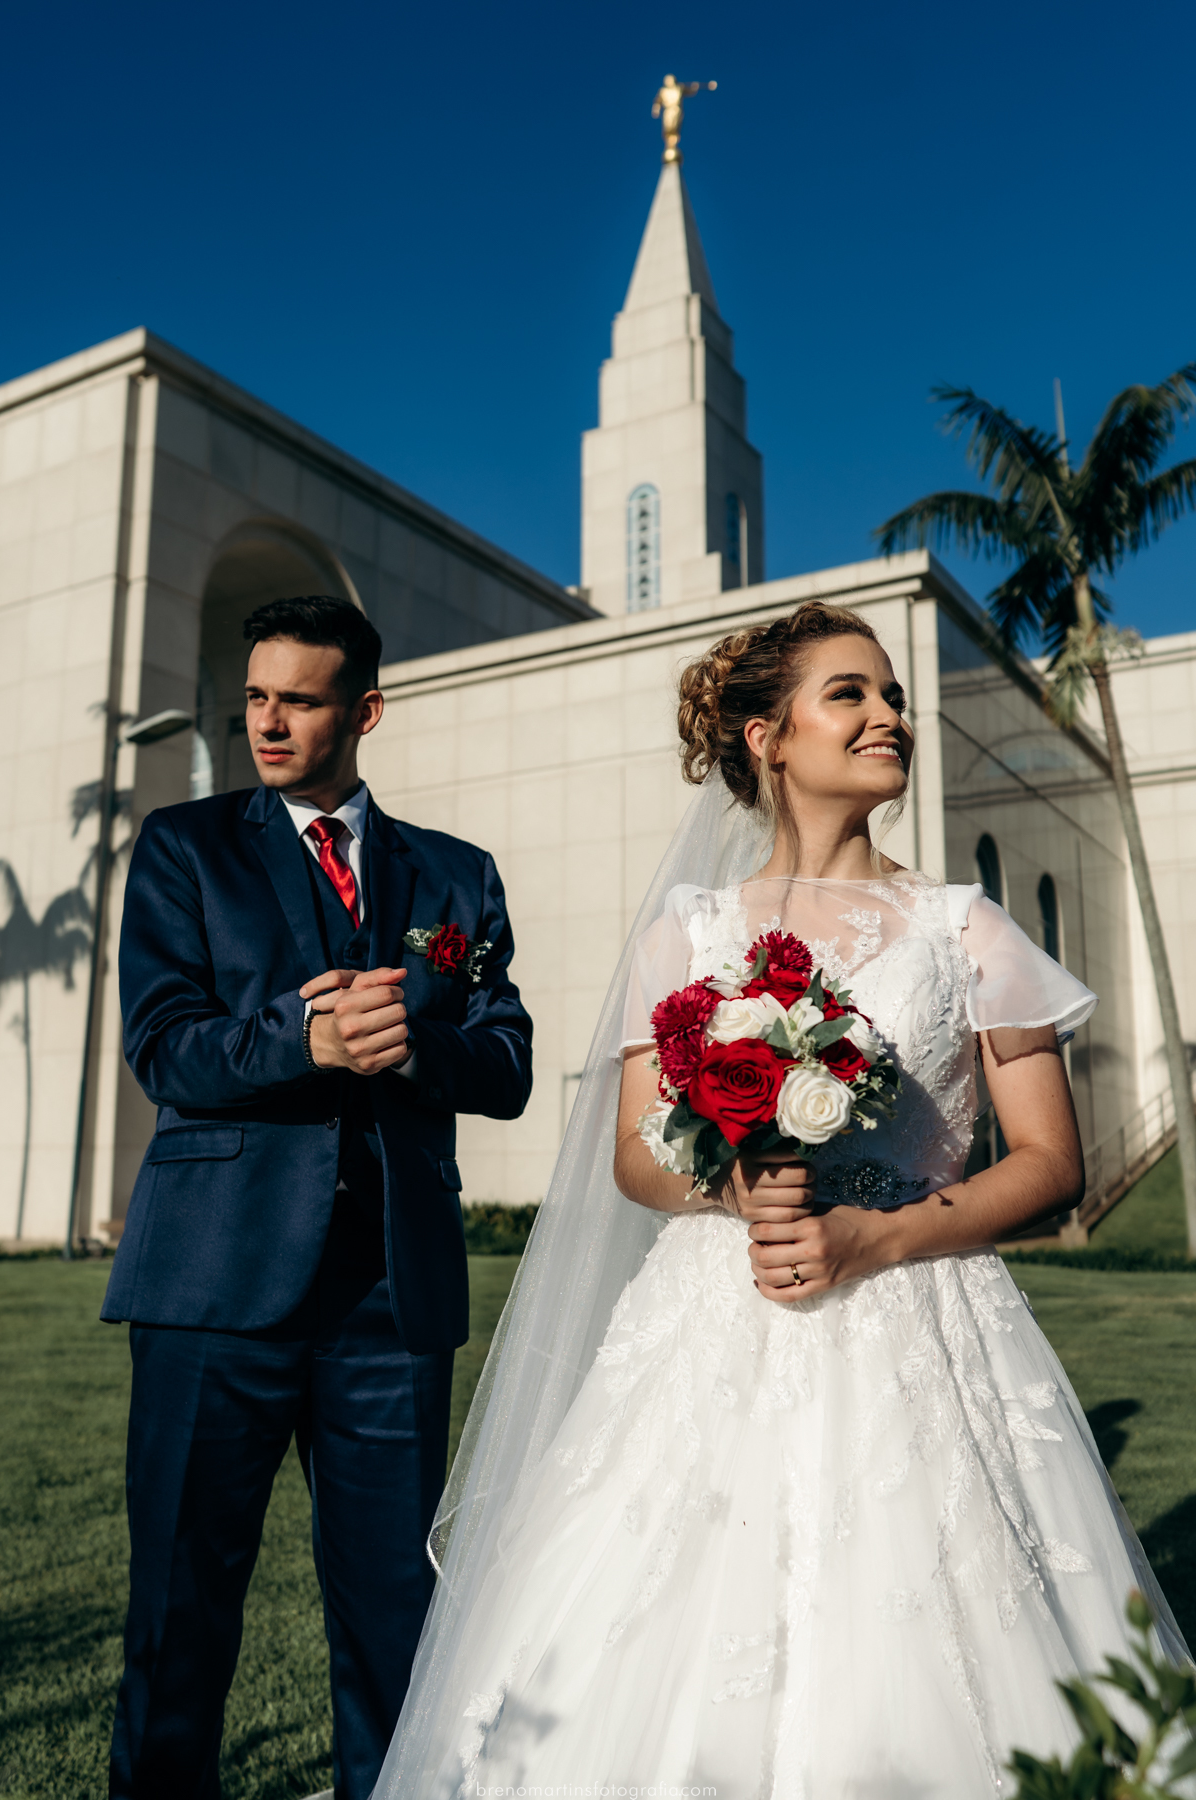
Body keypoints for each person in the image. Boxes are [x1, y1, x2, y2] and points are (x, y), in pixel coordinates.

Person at [374, 601, 1188, 1799]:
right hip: (715, 1315)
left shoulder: (965, 928)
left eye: (893, 695)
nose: (888, 715)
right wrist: (735, 1180)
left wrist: (878, 1237)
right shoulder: (688, 934)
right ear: (767, 737)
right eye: (849, 694)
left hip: (920, 1304)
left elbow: (1049, 1163)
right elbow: (637, 1156)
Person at [102, 595, 532, 1800]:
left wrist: (413, 1047)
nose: (267, 722)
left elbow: (505, 1063)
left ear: (366, 711)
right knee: (179, 1620)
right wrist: (303, 1040)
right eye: (256, 697)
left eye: (298, 700)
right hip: (210, 1289)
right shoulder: (183, 848)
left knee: (399, 1632)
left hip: (390, 1304)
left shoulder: (455, 879)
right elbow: (164, 1049)